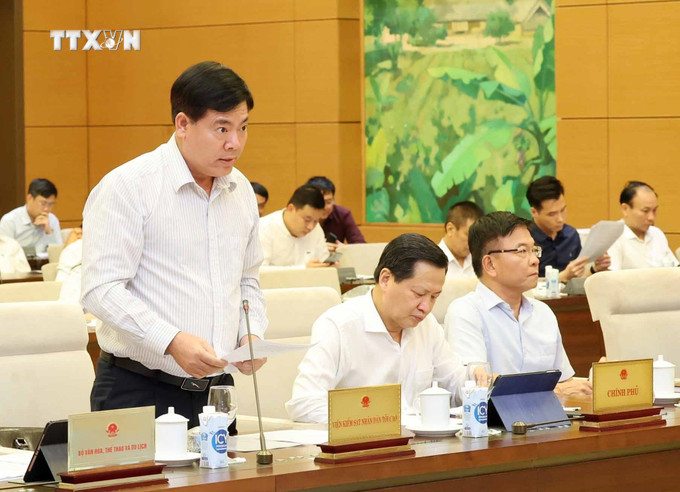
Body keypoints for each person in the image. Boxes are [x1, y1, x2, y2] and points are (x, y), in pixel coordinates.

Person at [81, 61, 268, 428]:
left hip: (216, 393)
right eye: (222, 128)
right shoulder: (129, 186)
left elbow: (247, 279)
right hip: (138, 389)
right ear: (183, 124)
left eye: (243, 127)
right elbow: (100, 290)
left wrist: (252, 333)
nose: (235, 142)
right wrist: (171, 340)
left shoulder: (241, 190)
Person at [286, 233, 466, 423]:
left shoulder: (427, 326)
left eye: (434, 297)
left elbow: (455, 383)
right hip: (363, 440)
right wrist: (378, 420)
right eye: (419, 293)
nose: (426, 307)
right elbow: (305, 404)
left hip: (422, 440)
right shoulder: (338, 326)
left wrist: (479, 383)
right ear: (386, 279)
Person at [444, 212, 592, 398]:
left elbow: (564, 383)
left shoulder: (543, 312)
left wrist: (592, 384)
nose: (535, 260)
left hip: (546, 415)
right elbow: (476, 388)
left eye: (534, 250)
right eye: (522, 251)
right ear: (490, 264)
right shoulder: (466, 312)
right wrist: (557, 391)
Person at [527, 176, 610, 282]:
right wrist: (563, 276)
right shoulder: (525, 239)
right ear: (534, 212)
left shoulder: (571, 235)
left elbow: (578, 279)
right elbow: (521, 283)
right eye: (552, 214)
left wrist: (594, 269)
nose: (560, 219)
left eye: (563, 210)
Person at [608, 181, 679, 270]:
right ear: (625, 209)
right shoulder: (612, 237)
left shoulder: (657, 234)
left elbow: (674, 269)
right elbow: (611, 277)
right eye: (645, 211)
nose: (651, 218)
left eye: (654, 210)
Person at [259, 185, 333, 268]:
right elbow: (260, 270)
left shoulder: (316, 229)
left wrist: (330, 267)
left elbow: (323, 260)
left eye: (316, 221)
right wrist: (303, 268)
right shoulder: (264, 228)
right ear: (291, 209)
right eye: (307, 220)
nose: (311, 227)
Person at [0, 178, 62, 254]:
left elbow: (59, 254)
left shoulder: (52, 220)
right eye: (43, 203)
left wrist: (49, 231)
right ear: (29, 198)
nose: (46, 209)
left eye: (51, 204)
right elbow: (3, 253)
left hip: (45, 261)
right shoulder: (10, 221)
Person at [305, 176, 365, 252]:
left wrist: (345, 248)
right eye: (319, 202)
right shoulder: (301, 216)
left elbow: (361, 246)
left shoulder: (342, 214)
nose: (324, 207)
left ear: (334, 200)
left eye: (328, 202)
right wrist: (319, 249)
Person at [438, 201, 483, 278]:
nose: (474, 243)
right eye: (469, 235)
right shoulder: (430, 262)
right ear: (450, 229)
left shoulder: (481, 261)